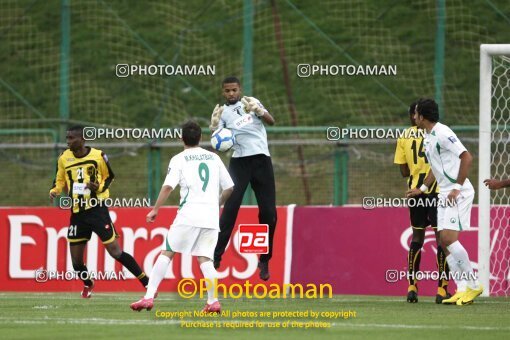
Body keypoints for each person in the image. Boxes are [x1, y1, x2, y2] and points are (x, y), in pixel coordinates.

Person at [130, 121, 234, 313]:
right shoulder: (214, 157)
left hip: (188, 215)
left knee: (167, 253)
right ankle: (213, 302)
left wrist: (155, 209)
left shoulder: (179, 159)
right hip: (210, 217)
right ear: (201, 138)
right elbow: (229, 188)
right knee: (206, 260)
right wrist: (216, 204)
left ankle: (148, 297)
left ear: (181, 139)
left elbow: (169, 186)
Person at [49, 125, 149, 298]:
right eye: (67, 138)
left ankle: (147, 283)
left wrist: (98, 187)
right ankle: (88, 283)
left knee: (115, 251)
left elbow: (109, 176)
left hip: (97, 210)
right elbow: (59, 180)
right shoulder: (64, 158)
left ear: (82, 139)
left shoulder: (98, 156)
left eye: (72, 138)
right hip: (77, 214)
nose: (68, 142)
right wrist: (55, 191)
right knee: (76, 262)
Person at [407, 99, 483, 305]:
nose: (413, 117)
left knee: (448, 238)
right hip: (444, 193)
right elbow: (435, 168)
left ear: (422, 116)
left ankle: (474, 285)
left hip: (457, 192)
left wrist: (457, 187)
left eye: (415, 114)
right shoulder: (429, 137)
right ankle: (461, 289)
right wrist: (422, 189)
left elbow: (467, 157)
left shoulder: (442, 133)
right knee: (443, 241)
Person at [209, 76, 277, 281]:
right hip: (239, 163)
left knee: (268, 214)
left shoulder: (250, 102)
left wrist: (259, 110)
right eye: (227, 91)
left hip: (261, 161)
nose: (231, 94)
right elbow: (218, 143)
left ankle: (264, 259)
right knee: (229, 210)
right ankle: (216, 255)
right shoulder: (223, 113)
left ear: (239, 90)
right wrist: (214, 128)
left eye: (234, 90)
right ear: (223, 92)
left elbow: (271, 121)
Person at [394, 101, 450, 304]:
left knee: (417, 239)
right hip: (437, 192)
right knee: (441, 239)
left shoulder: (404, 136)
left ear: (413, 116)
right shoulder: (436, 132)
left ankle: (411, 287)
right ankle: (442, 289)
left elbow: (403, 172)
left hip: (415, 193)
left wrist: (414, 169)